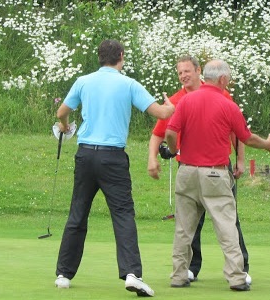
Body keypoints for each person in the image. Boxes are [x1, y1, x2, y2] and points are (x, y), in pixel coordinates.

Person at [53, 39, 174, 297]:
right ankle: (132, 273)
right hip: (112, 158)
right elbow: (162, 114)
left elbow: (62, 112)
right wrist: (171, 107)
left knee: (78, 213)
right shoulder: (128, 83)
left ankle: (64, 274)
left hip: (85, 155)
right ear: (120, 56)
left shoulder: (84, 81)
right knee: (122, 214)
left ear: (99, 57)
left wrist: (64, 126)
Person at [164, 59, 270, 291]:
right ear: (223, 79)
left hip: (186, 171)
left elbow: (169, 131)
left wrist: (174, 149)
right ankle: (236, 277)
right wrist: (267, 144)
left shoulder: (186, 101)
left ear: (204, 75)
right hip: (215, 174)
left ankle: (178, 275)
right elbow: (246, 138)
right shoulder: (228, 104)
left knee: (183, 228)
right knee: (226, 226)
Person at [147, 56, 251, 284]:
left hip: (200, 168)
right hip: (204, 170)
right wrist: (152, 158)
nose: (183, 76)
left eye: (186, 71)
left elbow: (236, 131)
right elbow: (159, 132)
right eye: (179, 73)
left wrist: (240, 160)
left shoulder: (218, 94)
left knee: (210, 223)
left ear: (198, 71)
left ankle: (183, 274)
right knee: (212, 224)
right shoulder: (177, 100)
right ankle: (210, 272)